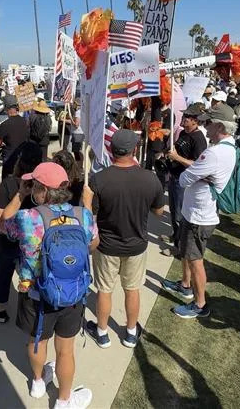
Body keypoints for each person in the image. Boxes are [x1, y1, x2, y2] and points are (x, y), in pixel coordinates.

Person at [1, 162, 98, 408]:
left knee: (37, 341)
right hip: (72, 292)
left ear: (41, 189)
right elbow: (93, 244)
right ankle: (64, 400)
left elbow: (4, 221)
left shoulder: (28, 218)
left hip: (35, 293)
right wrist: (87, 205)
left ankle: (37, 382)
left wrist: (20, 194)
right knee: (65, 350)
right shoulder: (82, 215)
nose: (31, 188)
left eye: (33, 184)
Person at [83, 129, 166, 348]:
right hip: (136, 245)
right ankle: (130, 332)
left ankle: (102, 332)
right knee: (132, 289)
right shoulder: (150, 178)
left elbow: (90, 214)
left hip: (107, 246)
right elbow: (159, 212)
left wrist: (87, 200)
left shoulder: (99, 179)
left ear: (111, 150)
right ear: (134, 150)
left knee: (104, 290)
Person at [162, 104, 239, 319]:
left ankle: (199, 303)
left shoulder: (214, 153)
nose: (205, 127)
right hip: (195, 210)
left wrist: (197, 174)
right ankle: (185, 285)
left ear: (220, 126)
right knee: (187, 252)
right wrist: (200, 175)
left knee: (195, 260)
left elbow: (186, 178)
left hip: (199, 214)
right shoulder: (228, 148)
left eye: (209, 123)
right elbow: (194, 175)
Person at [0, 142, 43, 323]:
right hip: (33, 241)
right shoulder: (42, 185)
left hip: (8, 240)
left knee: (5, 275)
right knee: (32, 275)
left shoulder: (10, 183)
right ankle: (34, 309)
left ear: (19, 161)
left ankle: (1, 309)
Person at [162, 104, 207, 257]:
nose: (183, 119)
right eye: (184, 115)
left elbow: (198, 165)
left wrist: (177, 158)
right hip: (175, 177)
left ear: (195, 121)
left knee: (180, 215)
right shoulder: (182, 133)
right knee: (174, 212)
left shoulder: (199, 139)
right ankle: (176, 236)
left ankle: (179, 248)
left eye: (187, 117)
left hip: (185, 181)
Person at [0, 95, 30, 178]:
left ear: (6, 108)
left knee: (8, 183)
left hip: (10, 158)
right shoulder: (25, 121)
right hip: (24, 156)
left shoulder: (4, 125)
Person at [29, 94, 52, 159]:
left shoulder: (33, 117)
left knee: (35, 158)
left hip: (34, 140)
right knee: (43, 158)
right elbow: (49, 129)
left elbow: (29, 127)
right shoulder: (48, 118)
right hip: (44, 141)